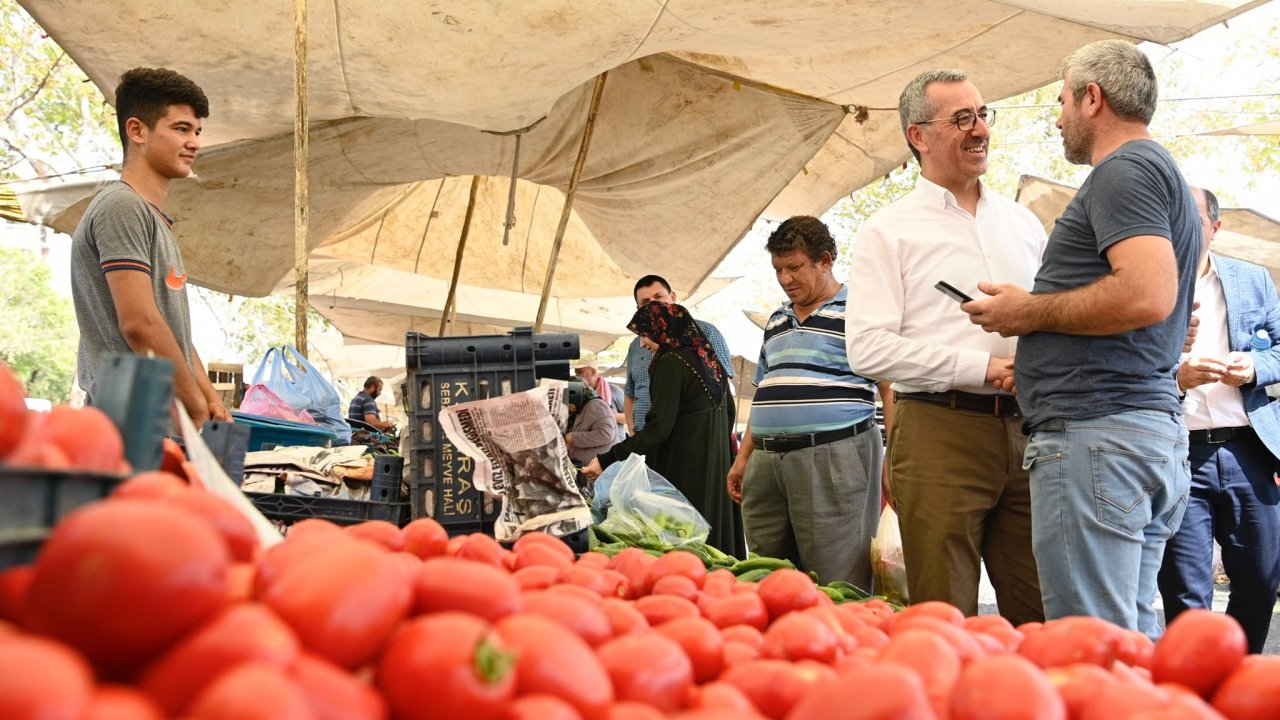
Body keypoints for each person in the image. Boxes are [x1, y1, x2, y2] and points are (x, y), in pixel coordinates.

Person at [962, 40, 1199, 637]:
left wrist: (1028, 314)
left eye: (1063, 100)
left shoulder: (1124, 170)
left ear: (1093, 98)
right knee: (1127, 642)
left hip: (1098, 439)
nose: (1058, 116)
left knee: (1088, 644)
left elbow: (1146, 293)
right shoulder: (1159, 172)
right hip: (1133, 434)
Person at [844, 69, 1047, 623]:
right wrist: (982, 368)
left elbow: (1047, 318)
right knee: (944, 617)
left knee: (1039, 614)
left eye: (983, 114)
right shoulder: (889, 231)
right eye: (962, 118)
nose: (979, 129)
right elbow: (867, 349)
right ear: (919, 136)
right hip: (939, 433)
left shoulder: (1025, 224)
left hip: (1032, 435)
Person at [727, 216, 881, 587]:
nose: (785, 279)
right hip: (766, 460)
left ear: (825, 260)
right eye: (778, 269)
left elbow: (889, 386)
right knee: (766, 574)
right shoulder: (777, 319)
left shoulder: (861, 310)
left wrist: (897, 462)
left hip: (833, 454)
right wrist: (743, 457)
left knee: (837, 576)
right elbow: (765, 387)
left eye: (794, 267)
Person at [70, 67, 230, 426]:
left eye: (197, 131)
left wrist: (210, 399)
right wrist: (196, 407)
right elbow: (140, 324)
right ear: (137, 130)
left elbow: (171, 333)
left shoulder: (154, 218)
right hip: (129, 422)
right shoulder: (121, 206)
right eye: (181, 129)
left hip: (158, 424)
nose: (195, 143)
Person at [1157, 187, 1280, 654]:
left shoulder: (1252, 279)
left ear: (1215, 227)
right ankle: (1193, 692)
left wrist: (1255, 366)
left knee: (1261, 577)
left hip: (1251, 447)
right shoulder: (1147, 284)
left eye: (1191, 218)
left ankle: (1240, 675)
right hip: (1181, 449)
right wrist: (1177, 376)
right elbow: (1121, 363)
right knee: (1185, 590)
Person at [583, 303, 746, 558]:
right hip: (716, 466)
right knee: (716, 550)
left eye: (645, 333)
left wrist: (608, 458)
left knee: (690, 546)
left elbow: (659, 427)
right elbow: (729, 413)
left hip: (685, 471)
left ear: (663, 328)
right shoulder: (708, 359)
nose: (643, 343)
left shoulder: (672, 362)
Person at [624, 275, 732, 434]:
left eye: (658, 297)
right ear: (638, 309)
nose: (654, 305)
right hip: (643, 441)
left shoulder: (706, 333)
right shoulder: (636, 345)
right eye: (645, 303)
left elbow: (722, 389)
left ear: (672, 297)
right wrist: (633, 433)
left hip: (686, 441)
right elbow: (630, 393)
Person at [563, 378, 619, 466]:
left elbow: (606, 434)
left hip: (602, 470)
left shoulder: (596, 405)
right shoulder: (580, 408)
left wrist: (574, 438)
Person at [575, 356, 626, 442]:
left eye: (580, 372)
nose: (577, 376)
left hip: (614, 443)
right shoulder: (578, 392)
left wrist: (608, 416)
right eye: (576, 373)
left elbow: (632, 418)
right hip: (589, 441)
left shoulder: (614, 390)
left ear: (593, 373)